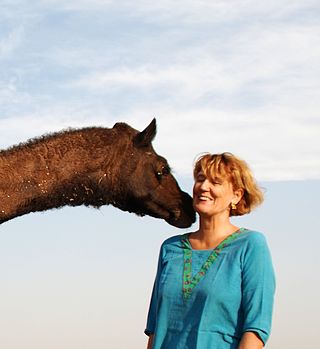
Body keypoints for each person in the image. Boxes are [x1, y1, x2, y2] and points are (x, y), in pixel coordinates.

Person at [145, 152, 275, 349]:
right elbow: (155, 329)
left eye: (215, 182)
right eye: (200, 179)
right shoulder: (170, 248)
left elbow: (256, 329)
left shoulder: (251, 245)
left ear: (236, 195)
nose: (204, 187)